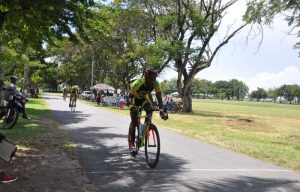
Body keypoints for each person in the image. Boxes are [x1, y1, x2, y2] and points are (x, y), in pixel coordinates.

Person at [127, 68, 168, 153]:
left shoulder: (156, 83)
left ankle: (145, 128)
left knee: (150, 110)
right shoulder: (138, 83)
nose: (152, 81)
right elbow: (129, 97)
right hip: (134, 99)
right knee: (134, 121)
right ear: (145, 77)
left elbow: (159, 97)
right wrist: (132, 107)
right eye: (150, 79)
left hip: (144, 99)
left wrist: (161, 110)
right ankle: (132, 143)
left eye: (154, 79)